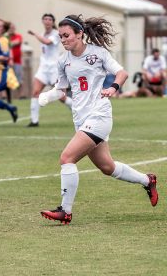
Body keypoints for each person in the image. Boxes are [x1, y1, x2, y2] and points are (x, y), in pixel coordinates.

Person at [39, 14, 158, 225]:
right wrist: (47, 96)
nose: (63, 40)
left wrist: (113, 87)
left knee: (67, 158)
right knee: (107, 167)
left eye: (67, 35)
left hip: (100, 115)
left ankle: (65, 211)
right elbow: (61, 90)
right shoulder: (62, 61)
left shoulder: (98, 53)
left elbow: (122, 73)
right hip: (81, 120)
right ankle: (147, 180)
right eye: (61, 36)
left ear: (80, 34)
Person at [27, 13, 72, 127]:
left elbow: (46, 42)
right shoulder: (43, 34)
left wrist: (35, 34)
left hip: (54, 70)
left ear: (53, 22)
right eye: (45, 19)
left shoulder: (56, 34)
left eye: (49, 19)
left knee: (61, 97)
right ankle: (34, 121)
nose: (47, 21)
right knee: (35, 92)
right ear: (42, 21)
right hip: (43, 69)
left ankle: (78, 110)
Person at [7, 23, 23, 96]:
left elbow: (17, 42)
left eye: (13, 27)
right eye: (10, 28)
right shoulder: (5, 37)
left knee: (18, 79)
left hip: (17, 62)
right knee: (7, 79)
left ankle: (20, 95)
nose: (11, 29)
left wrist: (8, 43)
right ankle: (6, 96)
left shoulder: (18, 36)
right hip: (7, 62)